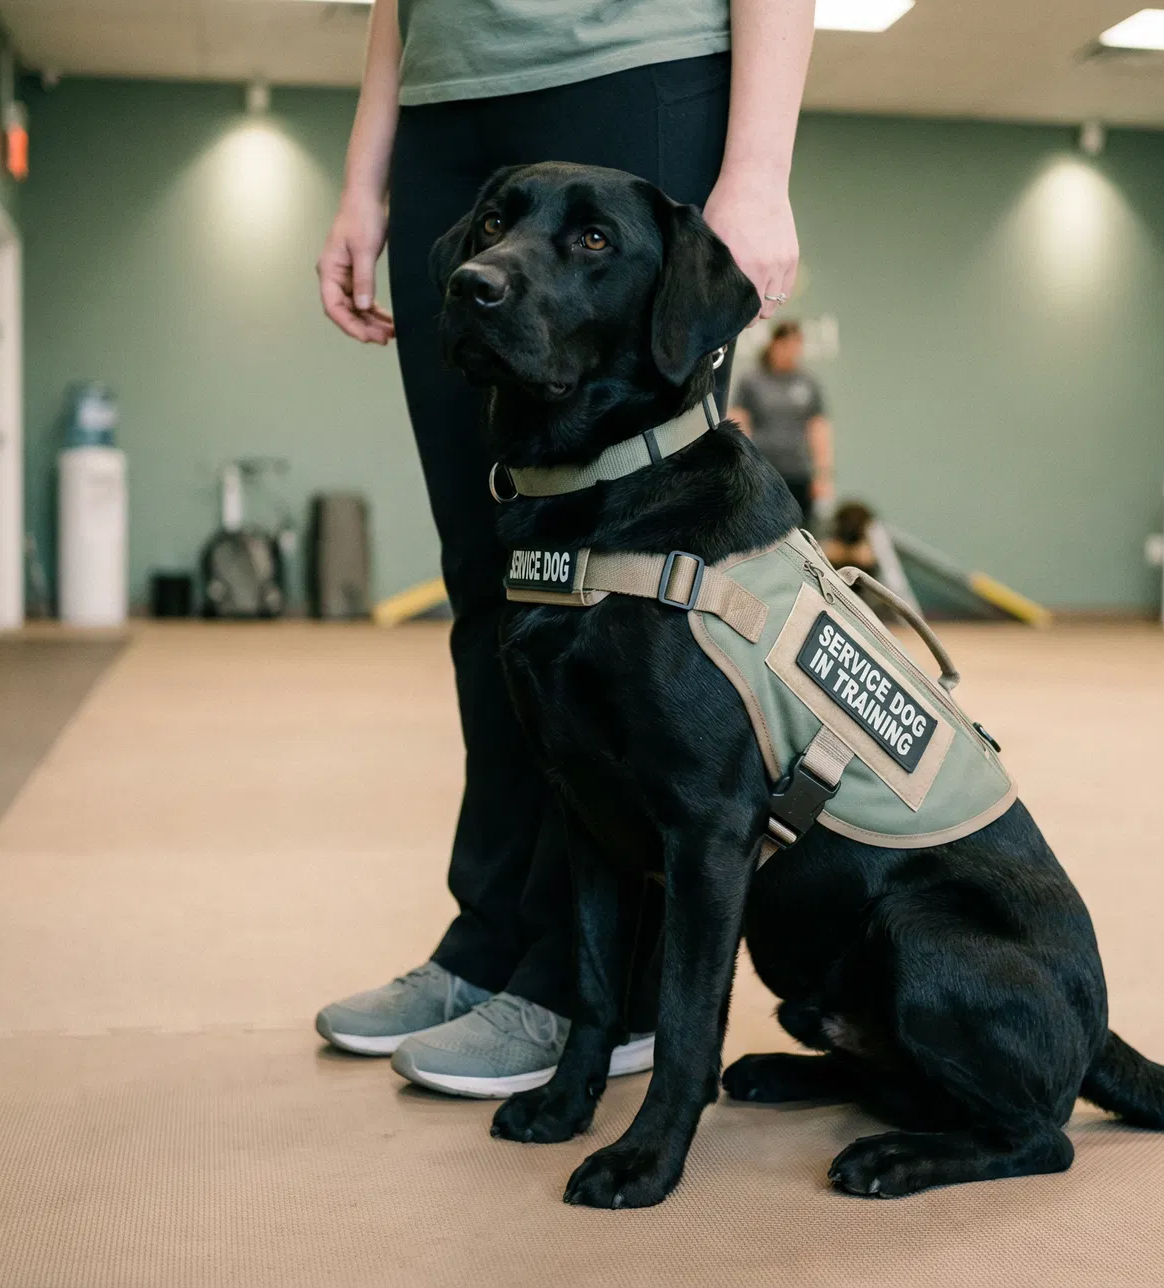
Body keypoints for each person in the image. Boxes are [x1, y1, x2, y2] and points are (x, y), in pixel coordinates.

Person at [311, 0, 815, 1096]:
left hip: (630, 69)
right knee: (489, 579)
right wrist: (364, 177)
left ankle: (599, 988)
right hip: (445, 104)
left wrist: (759, 168)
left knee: (624, 600)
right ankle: (490, 937)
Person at [729, 319, 834, 525]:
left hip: (799, 473)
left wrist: (823, 475)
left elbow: (818, 429)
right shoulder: (751, 381)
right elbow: (739, 424)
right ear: (775, 344)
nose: (793, 352)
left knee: (801, 530)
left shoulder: (808, 383)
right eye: (788, 345)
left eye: (797, 346)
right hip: (763, 473)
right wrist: (742, 469)